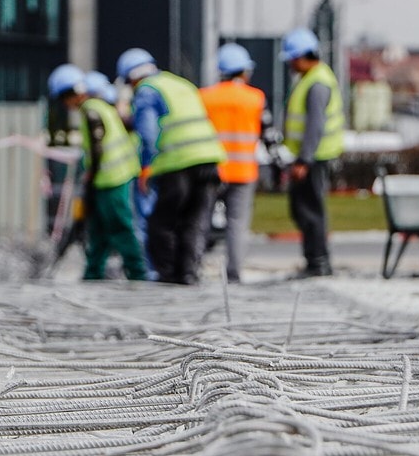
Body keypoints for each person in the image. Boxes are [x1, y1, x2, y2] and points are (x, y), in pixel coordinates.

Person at [117, 48, 226, 285]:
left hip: (178, 163)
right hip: (209, 160)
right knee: (194, 222)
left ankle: (167, 276)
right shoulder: (181, 84)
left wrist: (146, 166)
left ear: (131, 77)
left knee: (161, 223)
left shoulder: (147, 90)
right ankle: (188, 274)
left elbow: (147, 132)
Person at [48, 63, 148, 281]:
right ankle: (93, 273)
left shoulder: (91, 110)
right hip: (108, 179)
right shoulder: (97, 106)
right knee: (99, 230)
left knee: (120, 227)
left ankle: (138, 274)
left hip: (113, 178)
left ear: (71, 94)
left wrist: (90, 174)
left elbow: (96, 147)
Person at [199, 43, 268, 283]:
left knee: (201, 220)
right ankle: (234, 273)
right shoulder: (255, 98)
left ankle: (194, 265)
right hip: (244, 170)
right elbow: (264, 131)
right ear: (244, 71)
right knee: (237, 225)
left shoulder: (205, 97)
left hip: (211, 169)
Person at [280, 28, 345, 277]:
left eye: (290, 59)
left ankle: (317, 262)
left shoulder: (317, 83)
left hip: (313, 158)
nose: (289, 64)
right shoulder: (313, 78)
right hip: (310, 157)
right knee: (303, 209)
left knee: (311, 211)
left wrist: (303, 160)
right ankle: (315, 260)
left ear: (300, 56)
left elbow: (314, 125)